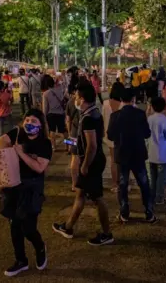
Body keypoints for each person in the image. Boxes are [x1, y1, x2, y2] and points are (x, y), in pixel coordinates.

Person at [53, 83, 114, 246]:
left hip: (91, 162)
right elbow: (81, 142)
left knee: (98, 198)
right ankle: (68, 227)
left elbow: (91, 145)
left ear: (83, 98)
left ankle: (107, 233)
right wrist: (64, 139)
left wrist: (85, 165)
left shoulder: (88, 118)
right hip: (94, 159)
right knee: (80, 194)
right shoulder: (94, 113)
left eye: (77, 97)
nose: (75, 99)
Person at [0, 109, 51, 277]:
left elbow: (39, 167)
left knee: (28, 228)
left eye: (34, 121)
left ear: (41, 125)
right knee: (14, 225)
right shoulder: (18, 133)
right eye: (27, 120)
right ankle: (21, 260)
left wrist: (21, 153)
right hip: (13, 185)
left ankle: (40, 247)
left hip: (31, 189)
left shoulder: (44, 144)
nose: (29, 123)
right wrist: (10, 151)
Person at [107, 87, 157, 224]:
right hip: (138, 154)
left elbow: (110, 136)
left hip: (122, 154)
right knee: (144, 183)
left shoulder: (115, 116)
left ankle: (124, 212)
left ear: (121, 100)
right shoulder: (140, 114)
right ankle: (149, 212)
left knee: (122, 184)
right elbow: (147, 134)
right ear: (133, 99)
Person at [147, 97, 166, 206]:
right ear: (164, 107)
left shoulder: (149, 119)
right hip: (162, 153)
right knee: (161, 178)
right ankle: (160, 198)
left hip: (151, 153)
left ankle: (152, 196)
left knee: (153, 177)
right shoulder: (165, 120)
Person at [102, 81, 123, 193]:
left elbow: (103, 119)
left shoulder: (105, 104)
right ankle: (123, 183)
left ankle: (115, 184)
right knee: (122, 160)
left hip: (109, 136)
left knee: (113, 160)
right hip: (122, 136)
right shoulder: (124, 104)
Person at [42, 75, 66, 151]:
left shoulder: (45, 93)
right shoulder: (60, 90)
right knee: (63, 131)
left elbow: (45, 107)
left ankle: (54, 147)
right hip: (61, 114)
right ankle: (68, 146)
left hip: (51, 114)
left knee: (52, 131)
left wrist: (44, 117)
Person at [65, 85, 81, 191]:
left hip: (74, 133)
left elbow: (67, 120)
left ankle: (74, 184)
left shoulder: (70, 102)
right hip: (85, 133)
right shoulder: (88, 101)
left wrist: (69, 134)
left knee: (74, 157)